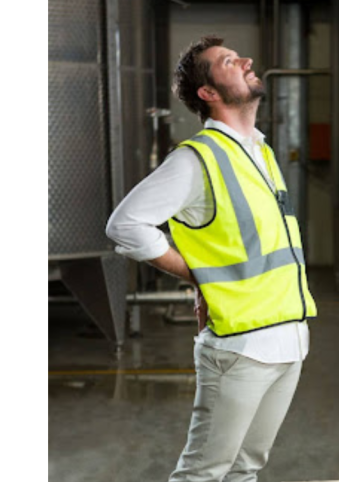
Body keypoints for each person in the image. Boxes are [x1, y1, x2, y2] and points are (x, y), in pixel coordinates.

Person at [106, 35, 318, 482]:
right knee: (204, 473)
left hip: (288, 340)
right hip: (240, 348)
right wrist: (194, 273)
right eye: (227, 61)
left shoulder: (261, 151)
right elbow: (125, 224)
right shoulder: (197, 159)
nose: (246, 59)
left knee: (246, 469)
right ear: (208, 93)